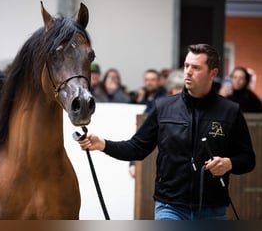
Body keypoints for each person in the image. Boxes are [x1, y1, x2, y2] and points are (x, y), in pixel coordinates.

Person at [78, 43, 256, 220]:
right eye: (186, 66)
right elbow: (136, 148)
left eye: (196, 67)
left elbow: (248, 159)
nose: (188, 71)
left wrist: (229, 163)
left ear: (213, 73)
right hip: (170, 207)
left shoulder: (230, 111)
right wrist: (103, 144)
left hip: (212, 209)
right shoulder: (163, 107)